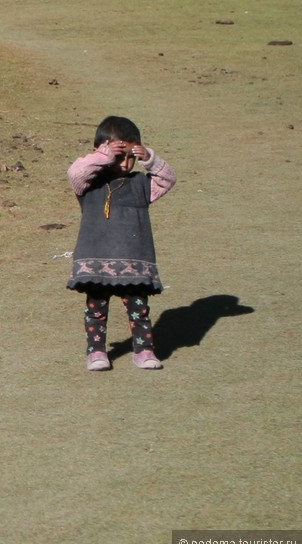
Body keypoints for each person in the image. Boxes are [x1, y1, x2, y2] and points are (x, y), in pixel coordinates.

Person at [66, 116, 177, 371]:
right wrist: (103, 156)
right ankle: (96, 353)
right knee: (96, 312)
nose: (126, 163)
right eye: (119, 156)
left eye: (131, 157)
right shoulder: (89, 185)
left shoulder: (141, 184)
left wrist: (151, 158)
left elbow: (168, 179)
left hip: (133, 262)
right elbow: (75, 172)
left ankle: (144, 350)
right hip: (96, 261)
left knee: (139, 310)